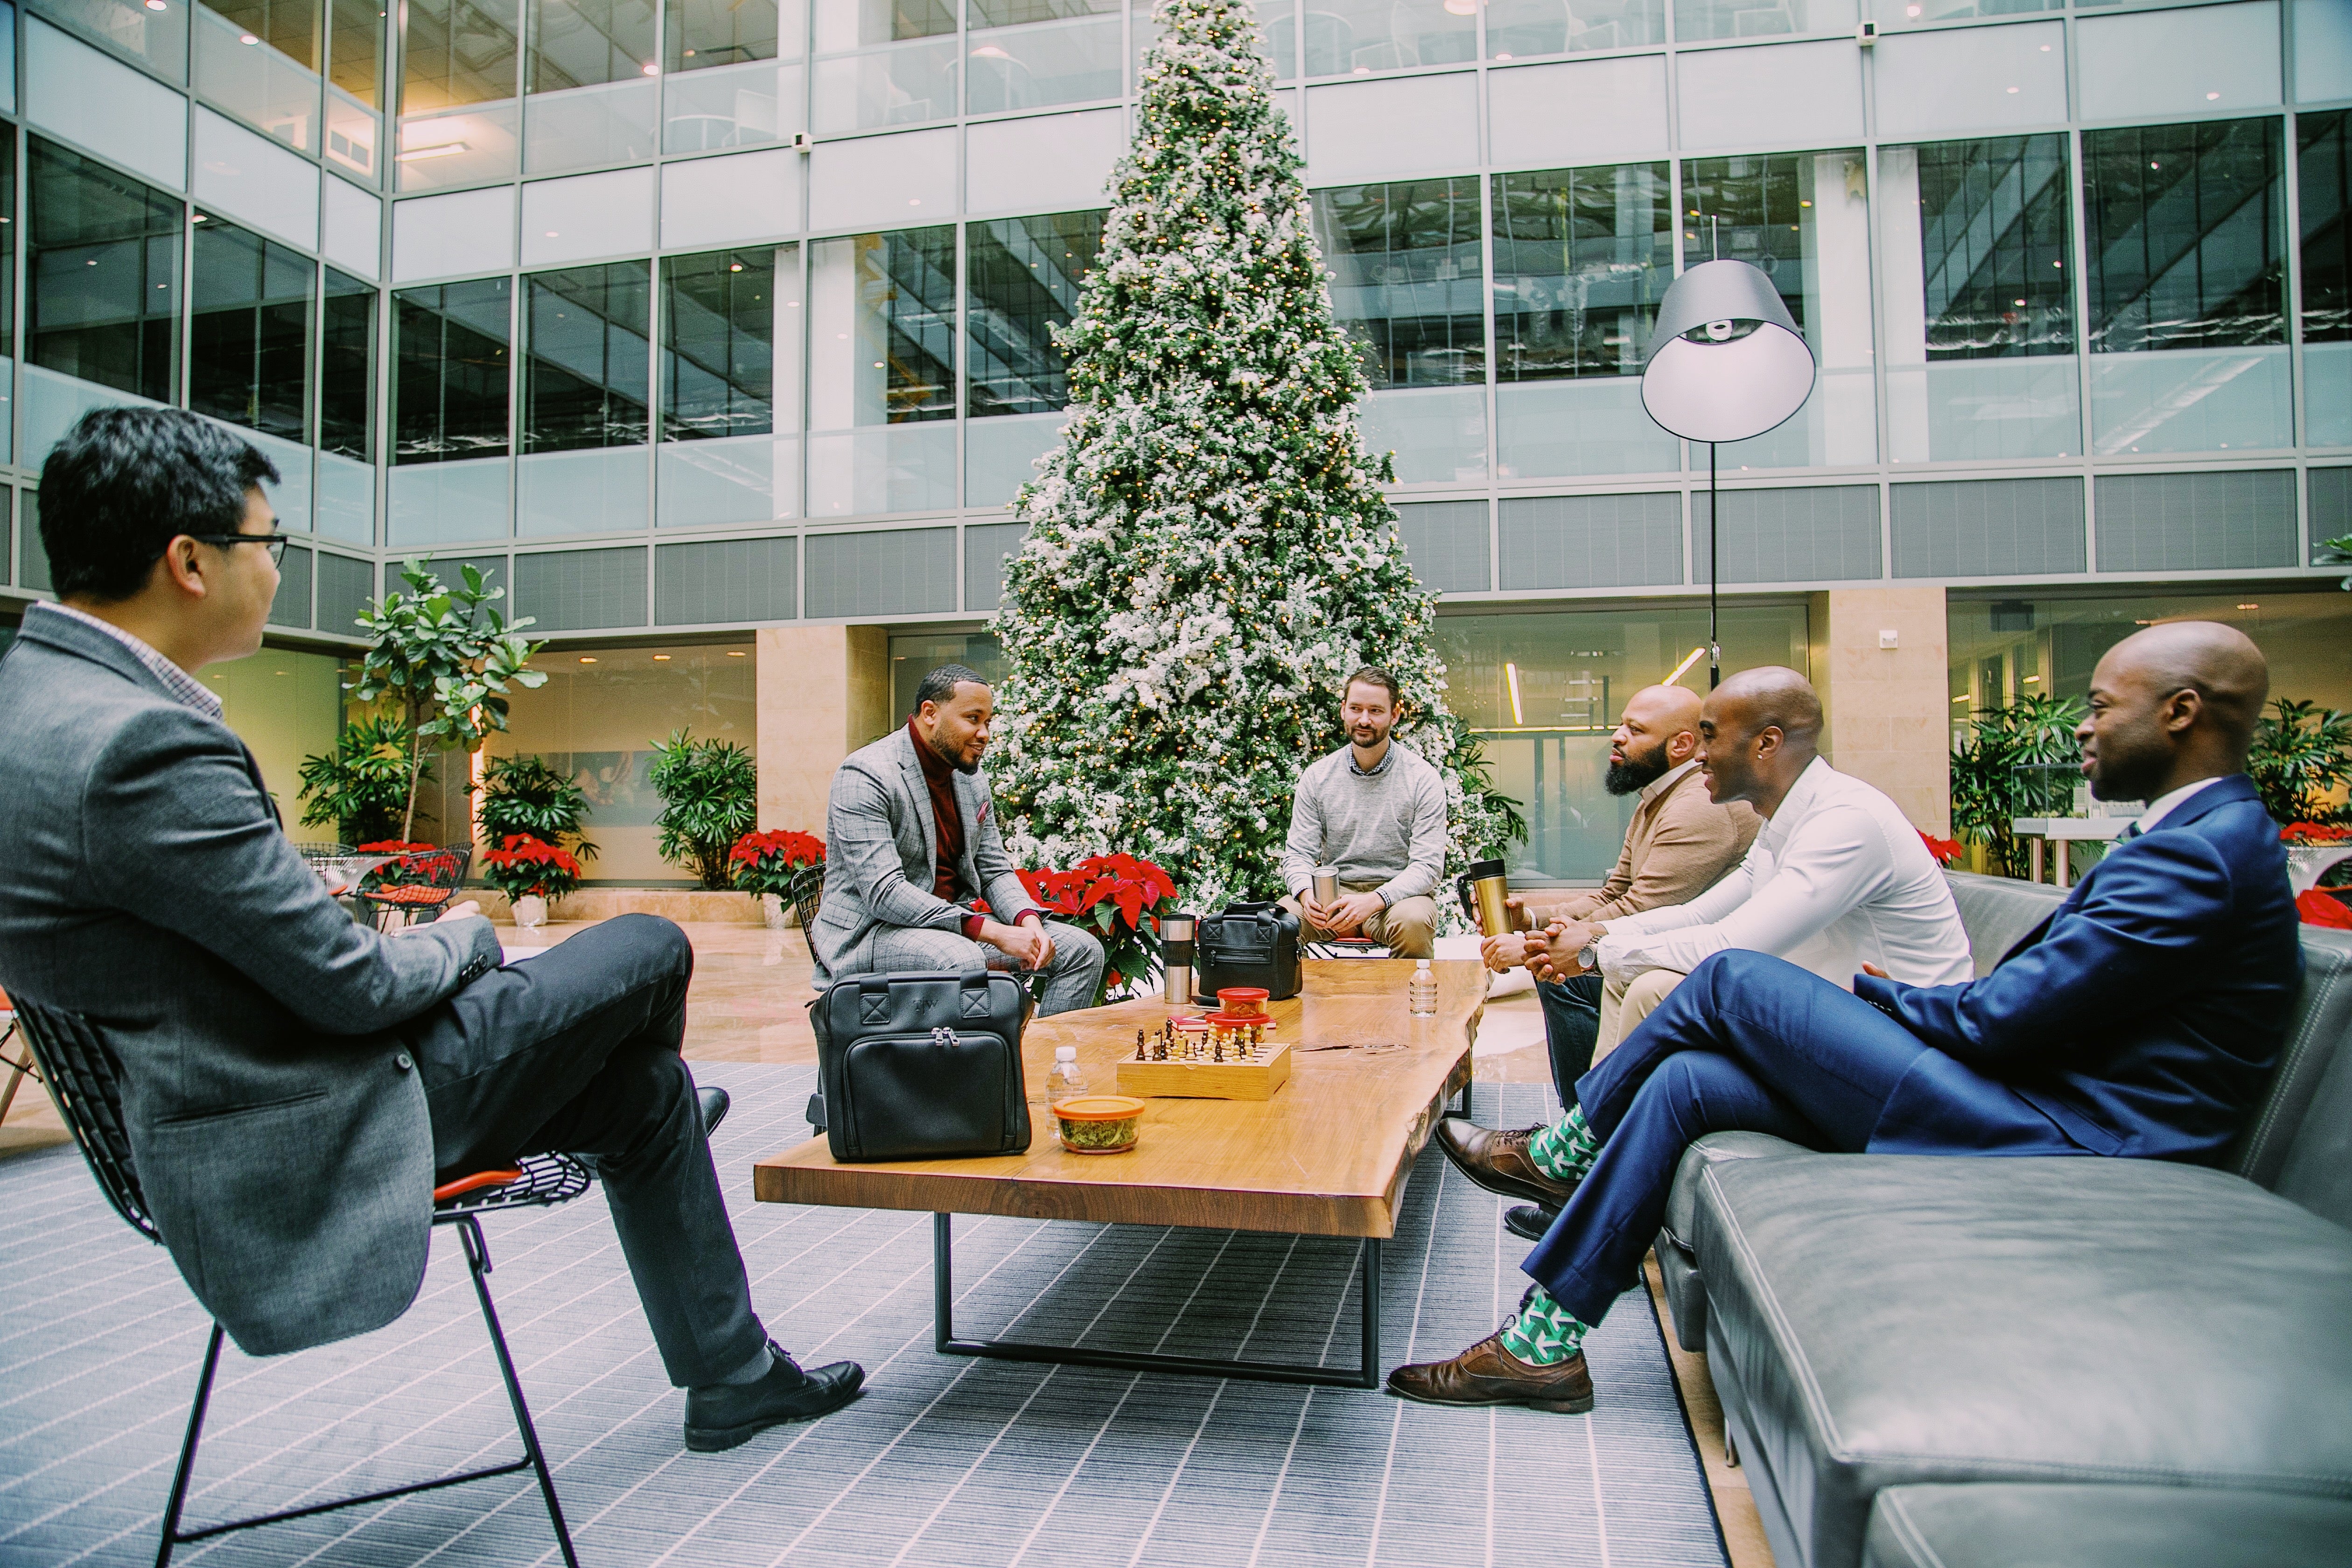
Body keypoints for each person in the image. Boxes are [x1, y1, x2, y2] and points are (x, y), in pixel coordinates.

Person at [0, 409, 862, 1455]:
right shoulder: (142, 744)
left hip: (236, 1086)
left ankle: (733, 1379)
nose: (277, 569)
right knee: (648, 947)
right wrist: (468, 936)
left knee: (647, 1095)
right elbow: (352, 986)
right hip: (320, 1111)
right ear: (189, 560)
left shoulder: (33, 700)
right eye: (267, 544)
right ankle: (636, 1113)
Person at [1388, 623, 2303, 1413]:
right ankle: (1543, 1348)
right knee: (1689, 1081)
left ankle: (1564, 1151)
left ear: (2181, 713)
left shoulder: (2201, 856)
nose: (2087, 729)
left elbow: (2006, 1021)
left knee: (1733, 981)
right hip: (2040, 1103)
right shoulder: (2198, 841)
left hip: (2078, 1139)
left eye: (2103, 707)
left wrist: (1874, 994)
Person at [1435, 666, 1972, 1229]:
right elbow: (1699, 914)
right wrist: (1592, 939)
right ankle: (1587, 1167)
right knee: (1641, 984)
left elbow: (1732, 946)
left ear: (1766, 743)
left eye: (1710, 736)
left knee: (1648, 984)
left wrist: (1591, 953)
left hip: (1899, 1050)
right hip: (1834, 1018)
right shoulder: (1786, 822)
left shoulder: (1846, 822)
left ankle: (1578, 1158)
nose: (1699, 757)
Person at [1477, 684, 1758, 1241]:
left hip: (1696, 965)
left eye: (1635, 729)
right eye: (1622, 724)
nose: (1617, 736)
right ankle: (1578, 1149)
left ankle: (1578, 1159)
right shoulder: (1658, 798)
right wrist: (1537, 922)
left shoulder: (1699, 808)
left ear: (1680, 745)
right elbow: (1616, 893)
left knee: (1567, 978)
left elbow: (1644, 910)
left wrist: (1545, 947)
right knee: (1565, 970)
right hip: (1667, 947)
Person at [813, 664, 1105, 1015]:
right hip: (870, 935)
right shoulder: (866, 774)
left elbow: (994, 869)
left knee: (1081, 950)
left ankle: (1041, 1066)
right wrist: (994, 933)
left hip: (948, 931)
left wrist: (1028, 922)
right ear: (930, 713)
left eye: (988, 722)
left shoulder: (970, 777)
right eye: (973, 719)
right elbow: (884, 893)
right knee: (962, 959)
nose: (984, 733)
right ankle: (975, 1068)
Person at [1278, 666, 1448, 959]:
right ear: (1343, 710)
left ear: (1395, 715)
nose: (1364, 720)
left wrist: (1375, 900)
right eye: (1356, 708)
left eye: (1376, 711)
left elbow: (1428, 866)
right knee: (1279, 924)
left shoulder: (1423, 778)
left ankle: (1404, 1003)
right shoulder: (1318, 776)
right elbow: (1298, 855)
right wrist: (1307, 896)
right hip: (1331, 896)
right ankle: (1304, 1002)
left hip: (1397, 900)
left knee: (1414, 922)